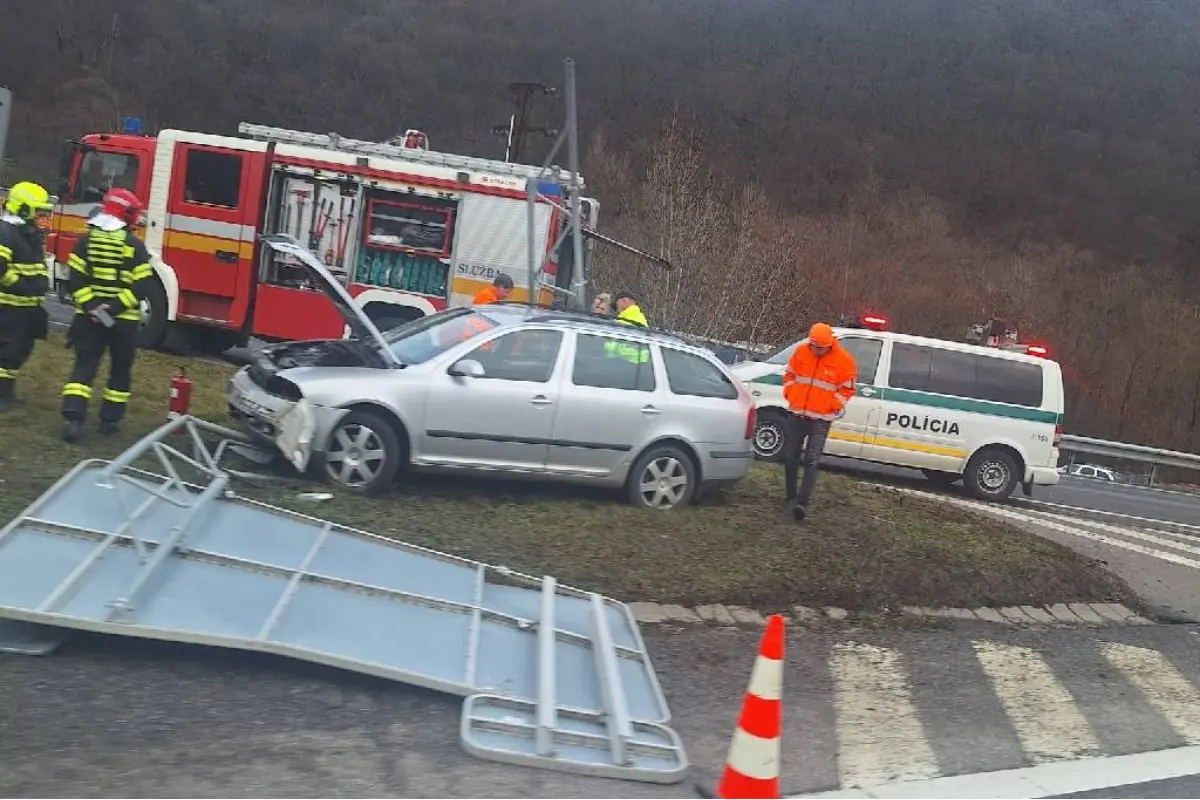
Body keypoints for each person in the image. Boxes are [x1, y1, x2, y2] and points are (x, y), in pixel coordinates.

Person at [60, 188, 155, 442]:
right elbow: (142, 286)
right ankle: (109, 421)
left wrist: (92, 307)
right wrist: (112, 309)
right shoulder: (134, 246)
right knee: (120, 370)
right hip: (122, 321)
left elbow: (75, 280)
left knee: (84, 365)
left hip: (88, 318)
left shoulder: (85, 242)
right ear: (127, 215)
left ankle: (73, 417)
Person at [781, 322, 857, 522]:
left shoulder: (844, 361)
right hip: (797, 413)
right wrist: (790, 392)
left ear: (829, 344)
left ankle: (802, 503)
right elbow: (789, 374)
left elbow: (847, 389)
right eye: (814, 346)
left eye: (821, 348)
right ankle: (790, 496)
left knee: (812, 460)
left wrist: (832, 404)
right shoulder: (800, 351)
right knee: (790, 457)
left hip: (821, 419)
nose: (817, 350)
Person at [0, 181, 54, 412]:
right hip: (10, 307)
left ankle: (7, 392)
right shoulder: (6, 233)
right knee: (6, 353)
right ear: (23, 209)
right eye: (39, 214)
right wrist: (21, 286)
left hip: (26, 309)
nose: (43, 220)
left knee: (19, 351)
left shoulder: (28, 234)